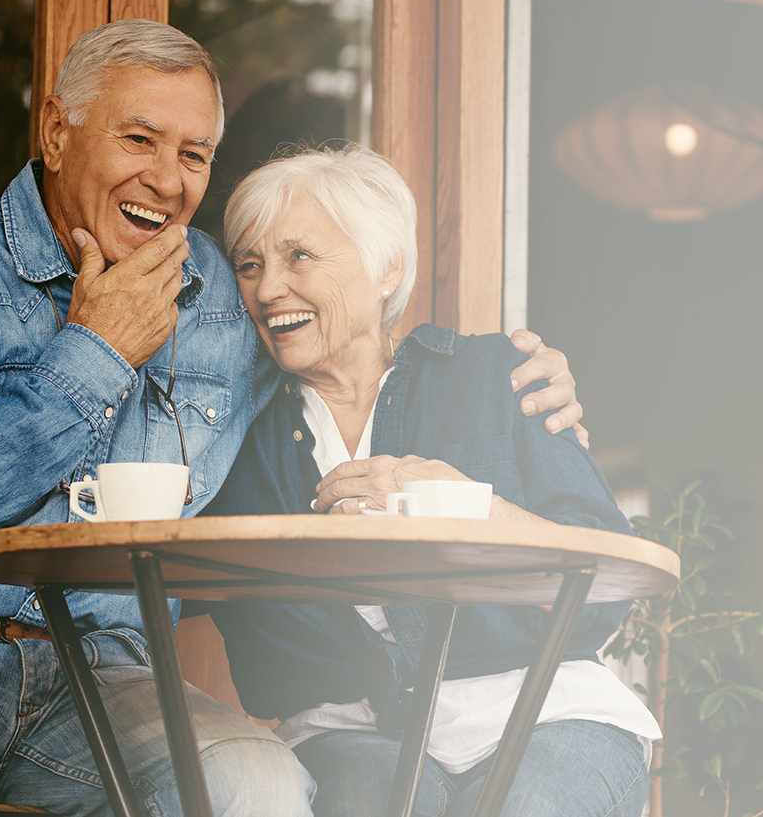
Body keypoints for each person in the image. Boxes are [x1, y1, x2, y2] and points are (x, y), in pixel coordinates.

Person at [0, 19, 584, 816]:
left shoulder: (225, 298)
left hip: (111, 673)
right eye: (140, 139)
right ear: (57, 133)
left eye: (194, 155)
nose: (168, 181)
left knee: (262, 789)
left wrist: (513, 375)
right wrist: (96, 349)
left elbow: (345, 355)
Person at [204, 146, 657, 817]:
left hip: (545, 711)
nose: (269, 288)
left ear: (386, 268)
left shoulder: (497, 374)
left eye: (299, 256)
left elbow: (604, 588)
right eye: (250, 264)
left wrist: (460, 507)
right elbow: (266, 667)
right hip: (351, 729)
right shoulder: (233, 435)